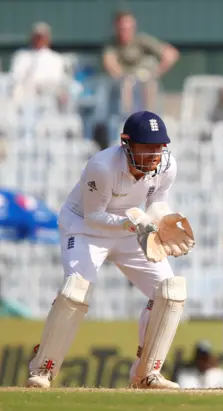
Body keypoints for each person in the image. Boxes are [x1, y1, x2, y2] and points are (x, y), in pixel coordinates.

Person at [25, 111, 196, 389]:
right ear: (126, 144)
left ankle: (146, 374)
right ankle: (44, 368)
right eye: (147, 147)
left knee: (171, 290)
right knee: (76, 290)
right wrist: (134, 222)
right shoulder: (102, 167)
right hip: (85, 229)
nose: (155, 154)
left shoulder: (167, 166)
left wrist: (159, 220)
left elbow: (155, 203)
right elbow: (94, 216)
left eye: (159, 147)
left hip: (132, 228)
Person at [102, 11, 179, 112]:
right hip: (126, 83)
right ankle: (128, 118)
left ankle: (148, 117)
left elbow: (171, 54)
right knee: (127, 83)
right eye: (122, 28)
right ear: (116, 28)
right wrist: (122, 76)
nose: (125, 32)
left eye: (129, 28)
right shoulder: (111, 44)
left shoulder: (143, 40)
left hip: (146, 79)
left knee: (149, 83)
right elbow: (110, 63)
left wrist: (157, 72)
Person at [9, 22, 70, 105]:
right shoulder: (21, 56)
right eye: (37, 37)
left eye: (42, 37)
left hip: (48, 100)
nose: (39, 40)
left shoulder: (56, 59)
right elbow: (15, 77)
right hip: (25, 100)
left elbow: (58, 79)